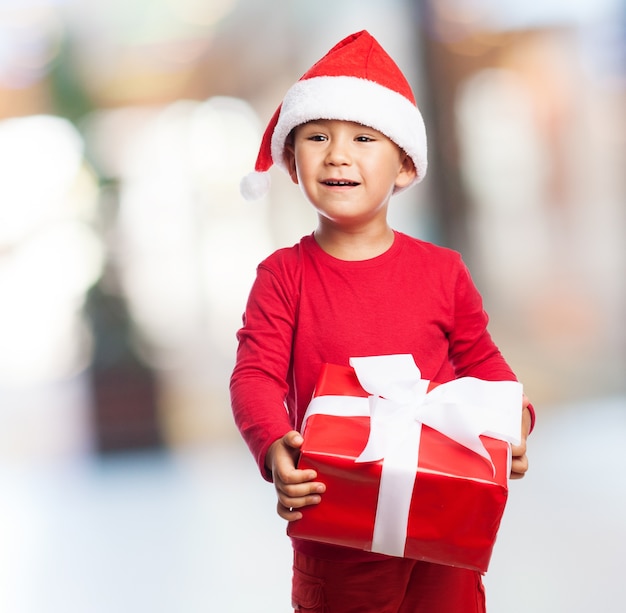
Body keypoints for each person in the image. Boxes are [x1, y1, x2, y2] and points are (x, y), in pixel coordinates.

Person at [231, 30, 535, 613]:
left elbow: (482, 361)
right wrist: (276, 448)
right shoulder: (283, 276)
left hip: (444, 517)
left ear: (404, 166)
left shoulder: (442, 271)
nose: (337, 154)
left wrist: (513, 420)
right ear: (292, 164)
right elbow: (255, 377)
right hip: (337, 522)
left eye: (363, 138)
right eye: (317, 137)